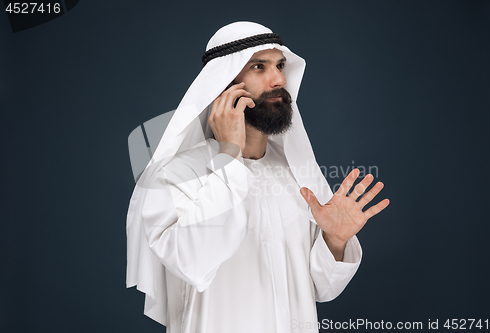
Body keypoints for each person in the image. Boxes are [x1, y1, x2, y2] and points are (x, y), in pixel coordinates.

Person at [126, 22, 389, 333]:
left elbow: (322, 289)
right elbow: (193, 262)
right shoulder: (176, 174)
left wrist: (334, 241)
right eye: (258, 67)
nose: (279, 79)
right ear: (225, 85)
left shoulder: (296, 171)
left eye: (279, 65)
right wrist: (229, 156)